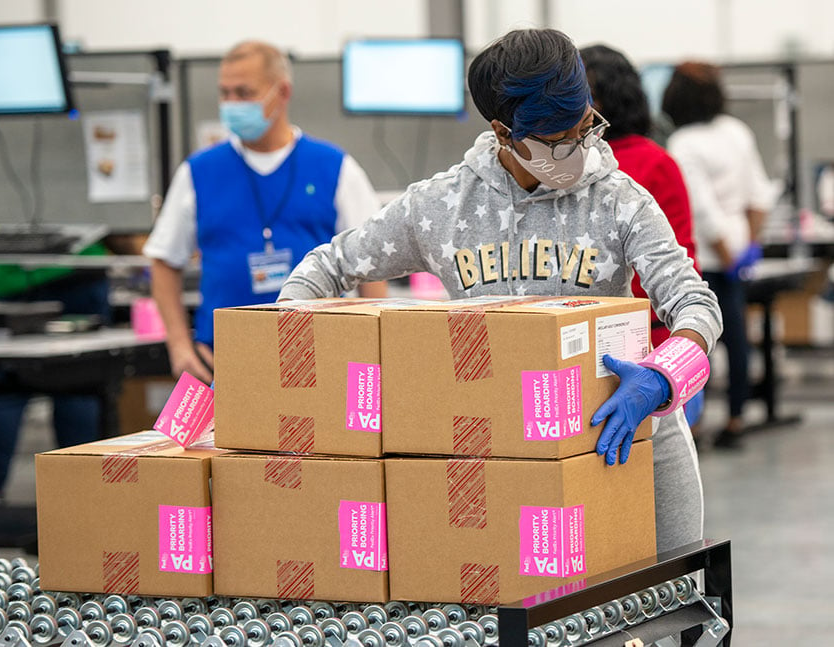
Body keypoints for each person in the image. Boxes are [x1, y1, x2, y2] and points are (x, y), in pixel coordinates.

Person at [279, 28, 723, 554]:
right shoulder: (441, 208)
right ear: (504, 131)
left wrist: (662, 378)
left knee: (664, 615)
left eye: (585, 128)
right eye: (556, 142)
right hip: (499, 463)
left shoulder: (621, 203)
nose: (579, 150)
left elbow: (696, 304)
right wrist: (282, 346)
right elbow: (328, 266)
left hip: (623, 443)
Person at [143, 41, 386, 385]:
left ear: (282, 92)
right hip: (221, 361)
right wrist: (179, 346)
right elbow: (163, 260)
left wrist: (370, 354)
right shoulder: (198, 172)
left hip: (321, 356)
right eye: (224, 93)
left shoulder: (334, 167)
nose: (231, 104)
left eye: (244, 93)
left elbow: (371, 264)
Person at [579, 44, 705, 429]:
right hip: (590, 347)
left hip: (647, 348)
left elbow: (680, 271)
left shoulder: (646, 165)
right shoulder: (570, 166)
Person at [662, 62, 774, 449]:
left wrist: (726, 254)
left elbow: (703, 211)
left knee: (697, 338)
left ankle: (692, 425)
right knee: (738, 339)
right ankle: (737, 419)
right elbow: (759, 195)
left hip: (707, 259)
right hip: (740, 253)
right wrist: (748, 248)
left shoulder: (683, 143)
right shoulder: (737, 132)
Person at [0, 247, 111, 508]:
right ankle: (86, 498)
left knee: (7, 391)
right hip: (68, 272)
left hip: (12, 273)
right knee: (73, 386)